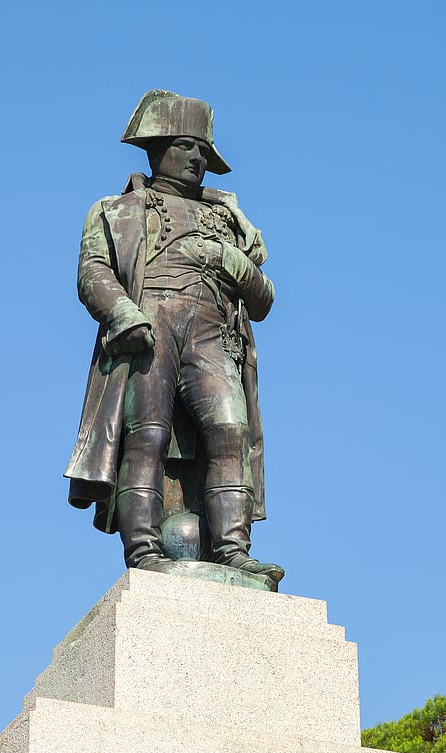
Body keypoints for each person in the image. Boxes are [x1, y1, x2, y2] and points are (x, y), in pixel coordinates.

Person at [64, 89, 284, 584]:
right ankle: (142, 549)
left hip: (212, 333)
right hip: (150, 322)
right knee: (148, 437)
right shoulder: (115, 210)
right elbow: (93, 272)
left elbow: (265, 300)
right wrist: (123, 312)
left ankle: (233, 549)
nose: (197, 159)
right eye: (187, 146)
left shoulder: (229, 222)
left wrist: (233, 261)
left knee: (232, 431)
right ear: (157, 147)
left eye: (204, 151)